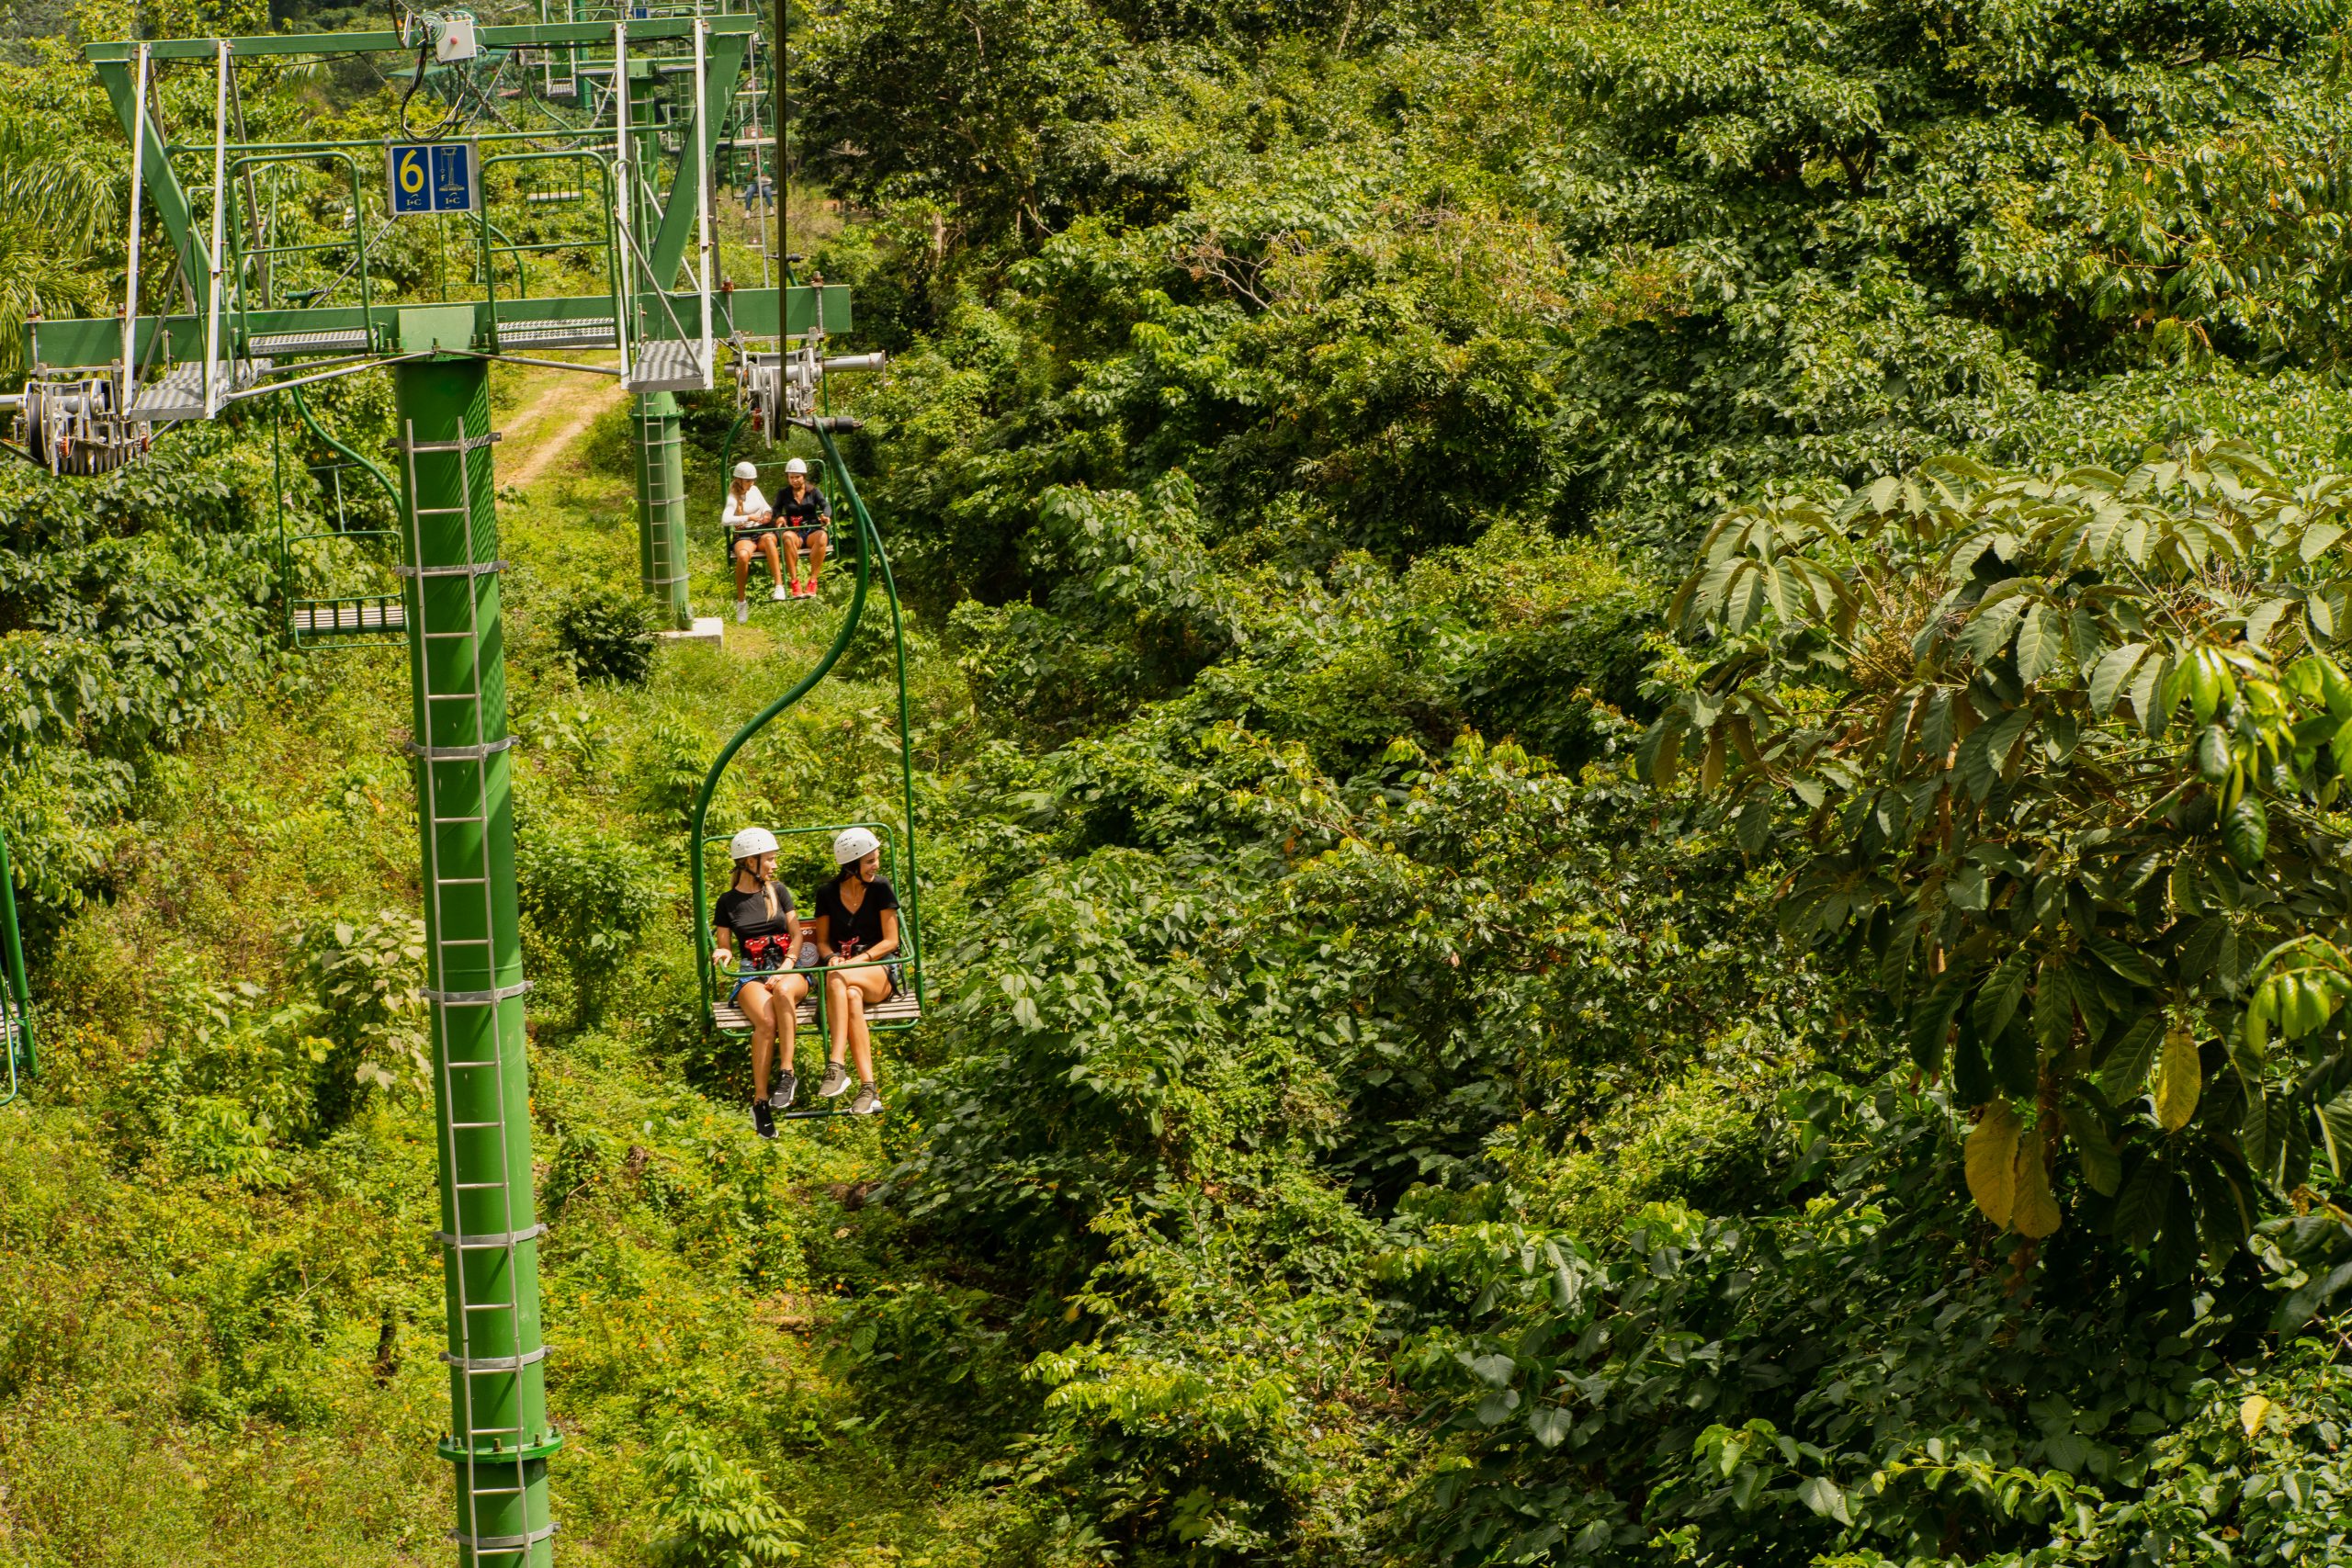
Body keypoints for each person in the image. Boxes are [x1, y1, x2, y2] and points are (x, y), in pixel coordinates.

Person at [710, 826, 811, 1137]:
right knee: (766, 1023)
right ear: (749, 862)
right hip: (751, 969)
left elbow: (796, 936)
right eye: (769, 860)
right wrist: (723, 952)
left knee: (782, 990)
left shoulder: (778, 892)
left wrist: (787, 966)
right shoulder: (727, 902)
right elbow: (726, 942)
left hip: (786, 966)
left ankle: (787, 1072)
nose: (774, 866)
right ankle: (760, 1100)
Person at [810, 825, 899, 1114]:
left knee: (838, 978)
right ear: (852, 865)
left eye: (876, 859)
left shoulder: (881, 888)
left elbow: (891, 941)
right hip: (847, 974)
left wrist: (853, 963)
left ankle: (836, 1065)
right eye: (870, 861)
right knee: (849, 996)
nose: (876, 866)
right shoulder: (827, 893)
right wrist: (832, 956)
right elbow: (822, 942)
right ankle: (868, 1088)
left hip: (878, 968)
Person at [723, 461, 787, 623]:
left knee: (770, 541)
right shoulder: (733, 497)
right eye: (748, 481)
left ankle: (779, 586)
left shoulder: (755, 490)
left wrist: (766, 514)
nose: (751, 483)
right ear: (739, 480)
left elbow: (767, 507)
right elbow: (725, 520)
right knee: (743, 556)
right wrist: (747, 517)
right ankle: (741, 602)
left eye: (753, 480)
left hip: (760, 530)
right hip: (744, 534)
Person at [774, 457, 831, 600]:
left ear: (804, 477)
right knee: (786, 537)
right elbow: (775, 509)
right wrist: (779, 517)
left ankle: (812, 581)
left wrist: (825, 515)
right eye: (791, 477)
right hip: (795, 532)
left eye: (797, 477)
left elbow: (826, 505)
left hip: (811, 530)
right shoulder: (783, 493)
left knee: (823, 536)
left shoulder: (813, 491)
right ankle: (795, 582)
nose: (794, 480)